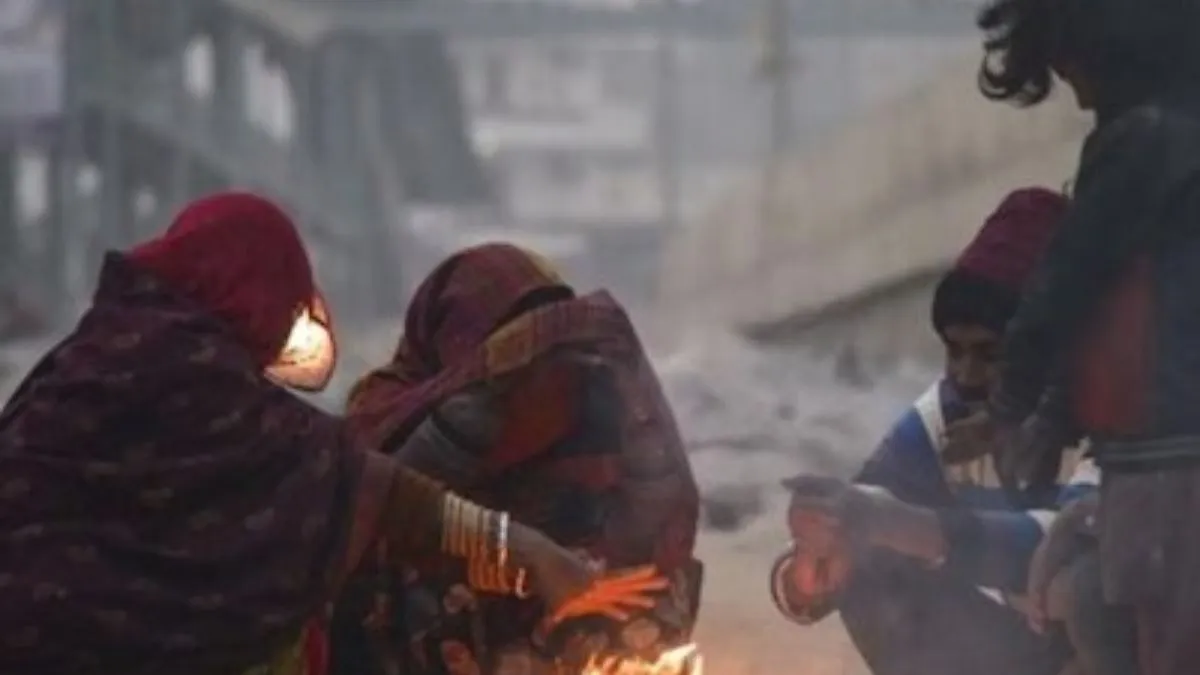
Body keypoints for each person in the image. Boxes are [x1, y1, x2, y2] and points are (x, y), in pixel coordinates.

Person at [0, 193, 663, 675]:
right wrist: (531, 557)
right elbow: (376, 495)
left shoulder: (87, 356)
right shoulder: (207, 381)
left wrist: (533, 561)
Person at [942, 1, 1200, 673]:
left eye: (1068, 67)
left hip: (1170, 471)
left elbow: (1065, 294)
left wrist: (1011, 410)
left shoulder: (1142, 140)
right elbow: (1111, 312)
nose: (1076, 94)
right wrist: (1047, 415)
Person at [769, 187, 1117, 675]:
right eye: (955, 352)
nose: (966, 376)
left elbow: (1056, 551)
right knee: (869, 558)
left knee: (1084, 594)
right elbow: (869, 504)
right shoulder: (946, 413)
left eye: (990, 354)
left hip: (1109, 647)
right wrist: (812, 567)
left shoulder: (1113, 411)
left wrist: (896, 523)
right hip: (1022, 649)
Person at [337, 243, 703, 675]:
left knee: (647, 587)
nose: (550, 379)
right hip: (452, 598)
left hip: (571, 589)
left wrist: (590, 567)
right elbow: (391, 523)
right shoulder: (415, 413)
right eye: (527, 361)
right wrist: (521, 563)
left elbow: (656, 517)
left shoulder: (597, 384)